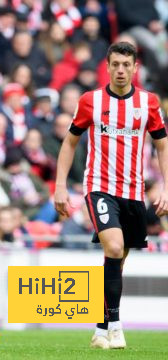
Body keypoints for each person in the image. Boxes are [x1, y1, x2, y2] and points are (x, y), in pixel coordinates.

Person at [54, 42, 168, 350]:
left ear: (135, 68)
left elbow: (162, 145)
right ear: (107, 66)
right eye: (115, 64)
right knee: (115, 247)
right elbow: (69, 143)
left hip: (133, 192)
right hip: (100, 187)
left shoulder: (149, 103)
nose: (120, 70)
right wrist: (61, 186)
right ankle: (116, 328)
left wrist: (167, 187)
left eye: (125, 65)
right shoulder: (91, 101)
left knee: (117, 260)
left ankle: (101, 328)